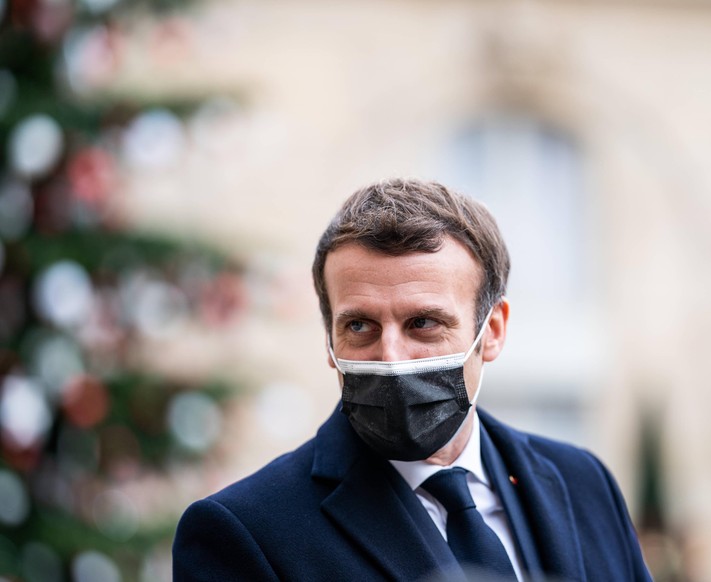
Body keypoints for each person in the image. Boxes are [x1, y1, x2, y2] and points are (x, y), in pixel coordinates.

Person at [172, 178, 652, 581]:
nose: (392, 357)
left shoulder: (584, 483)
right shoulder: (245, 531)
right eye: (360, 326)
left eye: (424, 323)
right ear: (328, 340)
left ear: (493, 331)